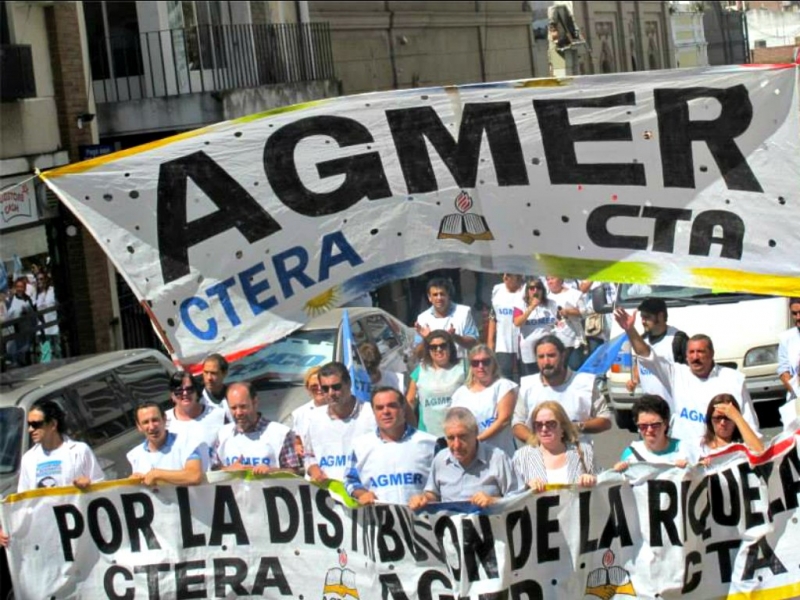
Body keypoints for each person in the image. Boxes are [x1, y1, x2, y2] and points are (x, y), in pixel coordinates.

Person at [614, 306, 761, 443]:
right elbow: (646, 355)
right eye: (691, 352)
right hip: (684, 456)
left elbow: (749, 422)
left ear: (712, 354)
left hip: (719, 455)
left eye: (700, 352)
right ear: (686, 356)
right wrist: (630, 329)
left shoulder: (732, 379)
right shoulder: (676, 374)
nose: (695, 357)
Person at [0, 399, 105, 547]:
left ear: (53, 424)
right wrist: (8, 530)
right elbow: (23, 503)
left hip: (81, 529)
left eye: (36, 424)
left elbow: (104, 488)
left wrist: (89, 485)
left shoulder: (79, 451)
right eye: (29, 425)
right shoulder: (29, 459)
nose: (30, 429)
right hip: (48, 533)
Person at [409, 407, 520, 509]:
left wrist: (493, 501)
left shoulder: (497, 458)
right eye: (451, 438)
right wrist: (423, 499)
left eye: (462, 437)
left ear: (476, 432)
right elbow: (433, 493)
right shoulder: (440, 460)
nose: (456, 445)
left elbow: (519, 497)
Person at [513, 335, 612, 444]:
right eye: (541, 357)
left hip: (578, 452)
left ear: (563, 355)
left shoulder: (585, 383)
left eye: (551, 356)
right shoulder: (527, 386)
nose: (546, 362)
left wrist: (577, 427)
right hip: (539, 455)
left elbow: (605, 420)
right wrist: (537, 443)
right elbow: (517, 424)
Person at [344, 387, 436, 505]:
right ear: (373, 411)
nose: (386, 411)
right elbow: (351, 480)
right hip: (379, 518)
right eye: (379, 408)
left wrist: (427, 498)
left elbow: (442, 483)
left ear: (403, 408)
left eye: (392, 406)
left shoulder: (430, 443)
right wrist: (362, 494)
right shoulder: (360, 446)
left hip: (422, 519)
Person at [303, 362, 376, 483]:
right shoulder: (314, 418)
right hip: (330, 493)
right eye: (325, 389)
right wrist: (314, 470)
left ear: (349, 384)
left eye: (336, 387)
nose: (331, 393)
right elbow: (309, 456)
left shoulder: (371, 414)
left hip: (365, 492)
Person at [213, 382, 301, 474]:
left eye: (243, 407)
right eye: (234, 408)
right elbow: (213, 470)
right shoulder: (222, 434)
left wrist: (271, 471)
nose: (238, 413)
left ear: (255, 402)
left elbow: (294, 472)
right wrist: (228, 470)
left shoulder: (280, 433)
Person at [513, 401, 597, 491]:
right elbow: (511, 497)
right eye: (539, 425)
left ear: (563, 427)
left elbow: (603, 487)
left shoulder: (584, 451)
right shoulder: (521, 457)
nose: (544, 429)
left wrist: (593, 480)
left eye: (551, 424)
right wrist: (526, 488)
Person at [450, 345, 518, 457]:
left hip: (500, 454)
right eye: (475, 363)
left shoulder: (503, 386)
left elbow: (504, 420)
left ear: (493, 364)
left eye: (485, 362)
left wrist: (476, 441)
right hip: (470, 456)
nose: (480, 366)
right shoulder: (460, 394)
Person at [625, 298, 688, 405]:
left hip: (673, 409)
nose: (643, 321)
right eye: (642, 317)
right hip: (651, 409)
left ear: (660, 316)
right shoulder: (642, 340)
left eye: (647, 317)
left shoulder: (678, 340)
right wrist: (635, 380)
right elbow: (640, 364)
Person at [127, 402, 205, 487]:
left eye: (155, 420)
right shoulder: (135, 455)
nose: (152, 427)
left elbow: (194, 476)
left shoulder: (186, 443)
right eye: (146, 422)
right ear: (139, 426)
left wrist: (158, 474)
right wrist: (133, 482)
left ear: (164, 419)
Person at [405, 330, 466, 437]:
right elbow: (410, 401)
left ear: (450, 347)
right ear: (428, 350)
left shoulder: (464, 367)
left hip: (459, 433)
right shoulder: (420, 371)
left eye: (443, 346)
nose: (439, 350)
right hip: (429, 434)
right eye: (433, 347)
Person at [165, 371, 225, 469]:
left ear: (196, 391)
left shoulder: (218, 415)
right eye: (179, 391)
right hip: (180, 481)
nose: (185, 393)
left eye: (190, 389)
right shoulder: (164, 421)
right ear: (172, 395)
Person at [614, 395, 690, 472]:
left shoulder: (684, 450)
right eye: (643, 426)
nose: (649, 430)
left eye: (655, 425)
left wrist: (689, 469)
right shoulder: (631, 454)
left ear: (666, 423)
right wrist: (617, 472)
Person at [414, 277, 478, 359]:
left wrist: (455, 337)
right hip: (433, 369)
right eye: (435, 295)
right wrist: (426, 339)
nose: (439, 298)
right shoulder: (422, 318)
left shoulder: (464, 312)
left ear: (448, 295)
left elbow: (473, 343)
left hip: (459, 366)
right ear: (429, 297)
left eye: (442, 294)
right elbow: (418, 354)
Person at [513, 278, 558, 377]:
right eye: (532, 288)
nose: (535, 291)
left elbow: (556, 322)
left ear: (543, 290)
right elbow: (517, 322)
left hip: (547, 349)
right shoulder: (520, 304)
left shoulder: (551, 304)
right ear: (527, 291)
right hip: (529, 349)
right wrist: (531, 307)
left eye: (538, 288)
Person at [487, 274, 525, 382]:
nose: (504, 278)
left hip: (523, 342)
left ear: (517, 276)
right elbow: (492, 316)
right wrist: (490, 342)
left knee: (525, 377)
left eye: (508, 275)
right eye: (503, 274)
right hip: (503, 343)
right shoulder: (497, 290)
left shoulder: (526, 290)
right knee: (504, 376)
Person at [700, 394, 765, 457]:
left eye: (727, 418)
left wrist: (737, 417)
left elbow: (760, 453)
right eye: (718, 418)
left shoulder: (745, 444)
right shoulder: (701, 446)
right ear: (710, 420)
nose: (723, 422)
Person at [545, 276, 586, 370]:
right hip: (554, 343)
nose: (549, 282)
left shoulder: (575, 294)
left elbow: (585, 313)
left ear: (560, 279)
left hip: (574, 342)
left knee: (574, 369)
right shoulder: (546, 298)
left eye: (552, 278)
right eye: (547, 279)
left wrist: (569, 312)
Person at [290, 366, 328, 458]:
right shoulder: (299, 413)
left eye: (323, 385)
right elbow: (297, 440)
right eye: (314, 386)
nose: (319, 389)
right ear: (307, 389)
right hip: (311, 465)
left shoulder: (340, 408)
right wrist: (297, 447)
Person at [4, 277, 37, 367]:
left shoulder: (28, 300)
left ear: (25, 288)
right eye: (18, 287)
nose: (19, 289)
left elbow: (33, 317)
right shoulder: (10, 300)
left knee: (25, 357)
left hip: (25, 332)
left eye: (21, 287)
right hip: (13, 334)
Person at [777, 297, 800, 423]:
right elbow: (783, 370)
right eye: (794, 313)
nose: (798, 317)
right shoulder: (786, 338)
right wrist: (797, 392)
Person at [34, 271, 60, 362]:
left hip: (53, 327)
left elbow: (58, 304)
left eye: (41, 279)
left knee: (57, 353)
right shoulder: (36, 295)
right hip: (42, 330)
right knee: (45, 356)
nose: (39, 281)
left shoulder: (52, 291)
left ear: (46, 279)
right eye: (37, 279)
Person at [200, 354, 231, 420]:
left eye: (213, 373)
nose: (209, 378)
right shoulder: (198, 401)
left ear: (224, 373)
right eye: (206, 372)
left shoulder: (234, 397)